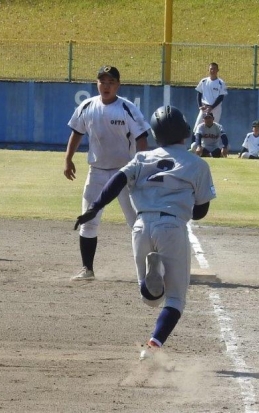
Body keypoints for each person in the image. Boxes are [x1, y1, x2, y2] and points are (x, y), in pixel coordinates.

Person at [73, 106, 215, 360]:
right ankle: (152, 346)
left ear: (156, 135)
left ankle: (154, 277)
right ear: (184, 132)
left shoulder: (141, 158)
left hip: (140, 226)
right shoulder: (197, 164)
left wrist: (94, 207)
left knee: (149, 299)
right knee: (175, 300)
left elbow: (117, 180)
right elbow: (200, 211)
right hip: (172, 227)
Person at [64, 65, 150, 281]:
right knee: (88, 219)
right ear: (97, 84)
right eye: (102, 81)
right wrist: (68, 159)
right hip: (97, 172)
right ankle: (87, 269)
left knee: (137, 223)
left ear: (118, 85)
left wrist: (141, 166)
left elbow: (142, 138)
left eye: (111, 82)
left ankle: (152, 269)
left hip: (125, 173)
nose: (106, 86)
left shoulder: (127, 108)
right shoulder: (87, 106)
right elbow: (77, 133)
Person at [192, 62, 228, 139]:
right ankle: (195, 144)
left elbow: (221, 97)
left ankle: (213, 144)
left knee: (214, 128)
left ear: (218, 70)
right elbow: (199, 93)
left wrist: (212, 107)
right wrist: (200, 106)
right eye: (211, 69)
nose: (213, 71)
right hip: (204, 108)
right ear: (208, 70)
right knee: (197, 127)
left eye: (214, 69)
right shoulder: (203, 81)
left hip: (215, 109)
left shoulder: (221, 83)